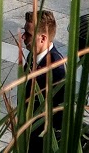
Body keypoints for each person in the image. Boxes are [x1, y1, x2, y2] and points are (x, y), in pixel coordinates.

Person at [19, 9, 67, 144]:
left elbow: (59, 114)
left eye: (28, 34)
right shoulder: (33, 55)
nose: (23, 37)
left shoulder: (57, 71)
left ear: (43, 38)